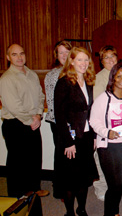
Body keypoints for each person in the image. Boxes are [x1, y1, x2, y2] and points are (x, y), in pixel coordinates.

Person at [54, 47, 98, 216]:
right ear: (71, 61)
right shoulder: (64, 82)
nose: (83, 63)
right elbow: (59, 115)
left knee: (84, 177)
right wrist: (68, 143)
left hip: (86, 137)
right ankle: (70, 212)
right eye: (79, 59)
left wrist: (93, 135)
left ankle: (82, 208)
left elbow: (90, 111)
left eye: (86, 60)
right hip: (70, 139)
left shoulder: (88, 81)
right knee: (70, 179)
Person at [0, 44, 48, 197]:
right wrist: (31, 120)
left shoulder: (32, 74)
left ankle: (34, 188)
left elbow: (41, 96)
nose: (19, 57)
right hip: (15, 124)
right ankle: (16, 196)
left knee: (34, 158)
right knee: (17, 163)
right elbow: (14, 106)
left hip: (33, 121)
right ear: (8, 57)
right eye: (14, 54)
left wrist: (39, 115)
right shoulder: (6, 78)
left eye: (21, 53)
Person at [90, 61, 122, 216]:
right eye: (119, 76)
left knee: (119, 182)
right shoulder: (104, 98)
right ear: (113, 78)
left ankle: (113, 212)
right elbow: (93, 120)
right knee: (115, 184)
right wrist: (106, 132)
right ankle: (111, 213)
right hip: (110, 147)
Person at [44, 40, 72, 199]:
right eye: (61, 52)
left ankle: (70, 186)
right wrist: (65, 123)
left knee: (72, 155)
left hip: (74, 124)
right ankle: (60, 189)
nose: (64, 55)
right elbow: (52, 103)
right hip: (59, 123)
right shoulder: (52, 75)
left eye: (67, 52)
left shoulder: (77, 71)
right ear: (56, 55)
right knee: (61, 155)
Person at [92, 45, 118, 201]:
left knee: (115, 161)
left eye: (112, 56)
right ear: (101, 61)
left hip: (119, 126)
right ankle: (101, 188)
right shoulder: (99, 78)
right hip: (104, 127)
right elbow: (97, 106)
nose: (110, 60)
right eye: (106, 57)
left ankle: (113, 187)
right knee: (101, 159)